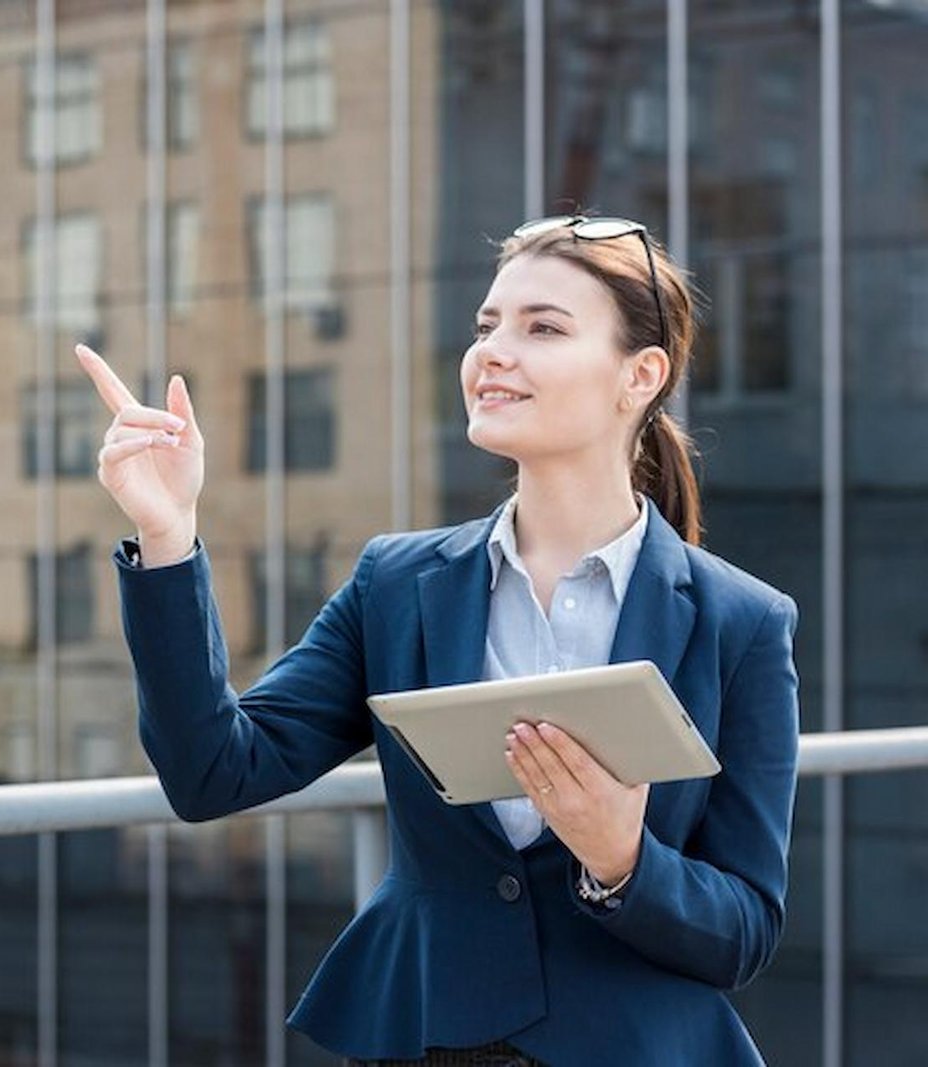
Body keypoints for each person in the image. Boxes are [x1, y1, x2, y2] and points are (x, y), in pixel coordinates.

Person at [75, 214, 800, 1066]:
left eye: (543, 327)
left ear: (640, 376)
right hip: (422, 1038)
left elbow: (745, 930)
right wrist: (169, 537)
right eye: (487, 326)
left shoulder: (740, 622)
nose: (493, 351)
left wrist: (624, 859)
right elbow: (212, 771)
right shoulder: (399, 583)